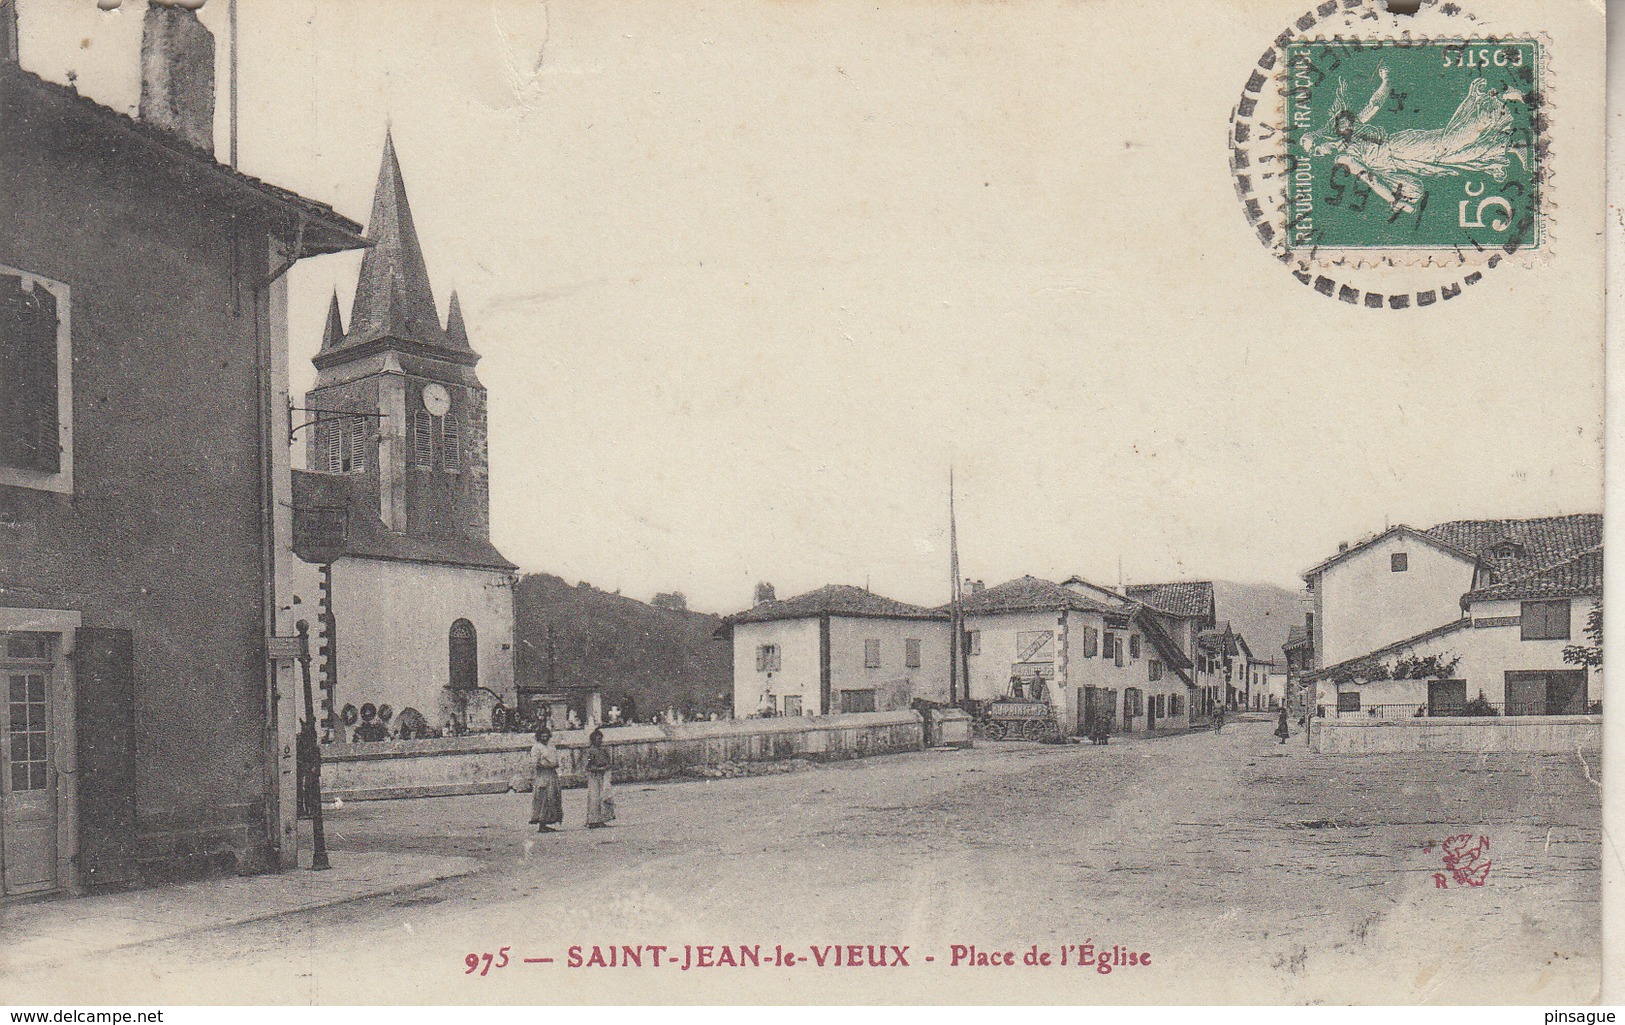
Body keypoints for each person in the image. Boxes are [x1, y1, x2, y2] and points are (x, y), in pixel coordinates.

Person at [529, 728, 564, 833]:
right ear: (539, 737)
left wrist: (553, 764)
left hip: (552, 774)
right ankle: (542, 823)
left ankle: (548, 821)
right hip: (543, 775)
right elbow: (535, 763)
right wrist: (545, 765)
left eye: (546, 736)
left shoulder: (551, 747)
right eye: (542, 736)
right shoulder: (536, 748)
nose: (545, 738)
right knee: (543, 797)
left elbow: (556, 761)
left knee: (552, 797)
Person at [584, 728, 616, 828]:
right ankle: (593, 820)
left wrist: (607, 767)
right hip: (594, 777)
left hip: (603, 776)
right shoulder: (590, 752)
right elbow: (588, 766)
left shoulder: (603, 751)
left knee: (603, 797)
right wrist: (599, 768)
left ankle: (602, 819)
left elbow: (609, 762)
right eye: (598, 739)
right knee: (594, 798)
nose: (600, 741)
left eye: (601, 739)